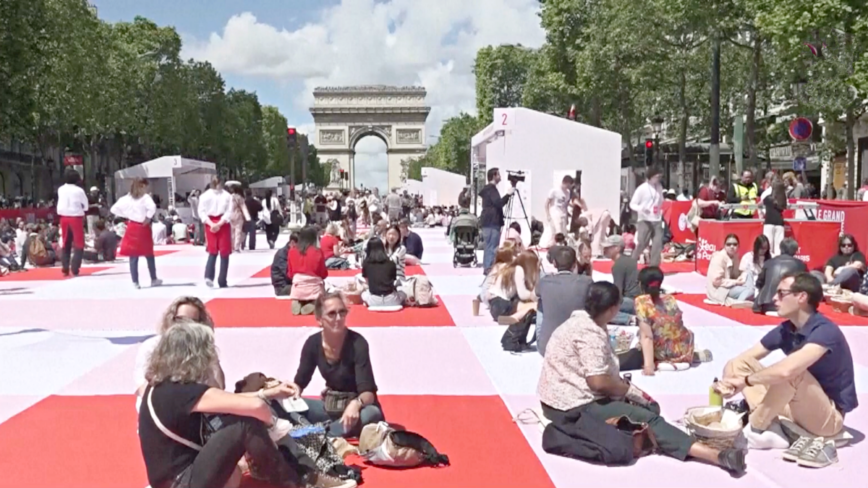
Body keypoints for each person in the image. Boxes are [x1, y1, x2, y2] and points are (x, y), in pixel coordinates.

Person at [538, 281, 746, 475]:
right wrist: (629, 391)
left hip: (556, 398)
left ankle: (665, 438)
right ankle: (717, 456)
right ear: (612, 309)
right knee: (650, 417)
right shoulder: (590, 332)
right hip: (572, 406)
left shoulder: (579, 320)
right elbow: (598, 382)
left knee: (645, 409)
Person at [138, 320, 328, 488]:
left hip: (172, 479)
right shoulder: (181, 391)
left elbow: (226, 400)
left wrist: (267, 393)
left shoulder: (161, 387)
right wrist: (273, 427)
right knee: (245, 424)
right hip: (182, 482)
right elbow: (256, 407)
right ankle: (294, 482)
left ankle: (275, 469)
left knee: (235, 466)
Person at [718, 272, 856, 467]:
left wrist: (746, 381)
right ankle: (771, 426)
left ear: (801, 297)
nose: (774, 298)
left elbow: (788, 371)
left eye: (781, 293)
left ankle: (757, 429)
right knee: (738, 364)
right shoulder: (787, 329)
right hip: (795, 406)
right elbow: (741, 360)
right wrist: (728, 382)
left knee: (792, 372)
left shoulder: (825, 331)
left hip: (826, 418)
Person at [289, 292, 385, 437]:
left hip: (358, 409)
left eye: (342, 312)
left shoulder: (358, 343)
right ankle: (329, 431)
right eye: (332, 314)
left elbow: (368, 393)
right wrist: (290, 395)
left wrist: (356, 404)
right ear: (319, 319)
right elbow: (300, 382)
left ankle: (318, 433)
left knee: (372, 414)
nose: (338, 318)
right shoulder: (312, 343)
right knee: (285, 406)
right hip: (331, 406)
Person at [133, 297, 221, 412]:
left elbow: (218, 388)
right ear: (171, 319)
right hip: (158, 411)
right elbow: (142, 388)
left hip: (194, 410)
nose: (185, 326)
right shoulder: (152, 346)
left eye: (192, 322)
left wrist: (211, 357)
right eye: (180, 320)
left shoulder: (201, 350)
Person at [631, 266, 710, 374]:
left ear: (640, 284)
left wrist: (649, 366)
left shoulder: (641, 302)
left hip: (663, 351)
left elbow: (647, 337)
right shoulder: (669, 298)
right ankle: (691, 354)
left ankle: (661, 359)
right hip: (683, 348)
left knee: (641, 334)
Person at [536, 246, 591, 356]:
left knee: (541, 302)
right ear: (575, 263)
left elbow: (535, 294)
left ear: (554, 264)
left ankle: (544, 334)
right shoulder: (587, 282)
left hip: (547, 347)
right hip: (579, 346)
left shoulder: (545, 282)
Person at [111, 178, 162, 289]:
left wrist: (126, 215)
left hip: (132, 226)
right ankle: (153, 278)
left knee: (133, 255)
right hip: (143, 226)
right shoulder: (145, 197)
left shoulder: (125, 198)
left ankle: (135, 281)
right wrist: (148, 217)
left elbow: (113, 209)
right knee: (149, 254)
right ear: (142, 186)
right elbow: (152, 208)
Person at [753, 238, 807, 314]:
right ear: (795, 250)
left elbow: (759, 283)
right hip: (788, 304)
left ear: (780, 248)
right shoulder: (801, 265)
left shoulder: (769, 262)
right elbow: (806, 285)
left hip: (766, 303)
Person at [198, 176, 234, 288]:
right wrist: (217, 223)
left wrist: (211, 224)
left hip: (214, 222)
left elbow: (201, 212)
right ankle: (220, 279)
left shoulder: (205, 196)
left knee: (216, 251)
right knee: (220, 252)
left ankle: (212, 277)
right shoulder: (227, 196)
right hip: (219, 222)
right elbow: (229, 211)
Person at [479, 167, 514, 274]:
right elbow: (498, 203)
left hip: (487, 222)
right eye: (498, 174)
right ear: (494, 175)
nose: (500, 177)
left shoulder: (487, 189)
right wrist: (508, 195)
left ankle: (487, 267)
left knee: (488, 246)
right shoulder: (491, 189)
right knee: (492, 246)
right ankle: (489, 268)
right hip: (492, 222)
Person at [287, 226, 327, 315]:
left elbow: (290, 273)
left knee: (299, 292)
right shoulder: (318, 251)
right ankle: (313, 304)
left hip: (298, 284)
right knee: (321, 300)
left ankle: (298, 301)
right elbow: (323, 273)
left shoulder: (292, 251)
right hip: (314, 286)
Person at [629, 167, 664, 266]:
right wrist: (642, 208)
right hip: (644, 219)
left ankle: (654, 266)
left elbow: (661, 200)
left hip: (657, 219)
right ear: (650, 177)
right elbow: (632, 204)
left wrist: (661, 209)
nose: (658, 179)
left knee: (657, 244)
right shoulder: (642, 189)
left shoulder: (659, 187)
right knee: (642, 243)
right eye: (656, 177)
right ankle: (631, 263)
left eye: (659, 177)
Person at [56, 167, 88, 277]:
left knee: (66, 242)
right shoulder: (79, 190)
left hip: (63, 217)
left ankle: (65, 266)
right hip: (76, 217)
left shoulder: (61, 189)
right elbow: (86, 205)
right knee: (79, 243)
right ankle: (75, 267)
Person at [706, 234, 753, 307]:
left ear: (738, 246)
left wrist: (742, 276)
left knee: (748, 274)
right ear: (724, 246)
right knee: (750, 290)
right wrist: (736, 282)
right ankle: (739, 302)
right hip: (719, 290)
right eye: (728, 244)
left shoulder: (735, 256)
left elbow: (736, 275)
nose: (732, 247)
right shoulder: (719, 258)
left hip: (729, 286)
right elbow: (716, 282)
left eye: (735, 244)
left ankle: (743, 298)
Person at [602, 235, 639, 324]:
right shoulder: (629, 260)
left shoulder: (619, 265)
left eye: (608, 248)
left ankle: (629, 319)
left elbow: (617, 292)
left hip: (631, 301)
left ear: (617, 248)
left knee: (601, 312)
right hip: (638, 300)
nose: (605, 250)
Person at [361, 238, 406, 307]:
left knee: (363, 294)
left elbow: (368, 283)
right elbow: (392, 281)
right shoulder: (391, 263)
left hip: (374, 301)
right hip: (392, 300)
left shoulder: (366, 264)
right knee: (403, 293)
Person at [541, 175, 573, 248]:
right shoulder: (554, 191)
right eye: (569, 184)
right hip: (555, 213)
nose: (569, 186)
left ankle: (561, 245)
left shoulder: (567, 193)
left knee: (564, 232)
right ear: (566, 182)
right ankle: (555, 246)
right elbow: (547, 203)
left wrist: (567, 216)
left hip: (563, 214)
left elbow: (566, 205)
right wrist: (548, 214)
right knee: (556, 230)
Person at [763, 179, 787, 257]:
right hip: (779, 223)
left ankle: (769, 261)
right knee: (778, 246)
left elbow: (760, 203)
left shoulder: (767, 198)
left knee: (768, 245)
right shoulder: (783, 200)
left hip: (769, 222)